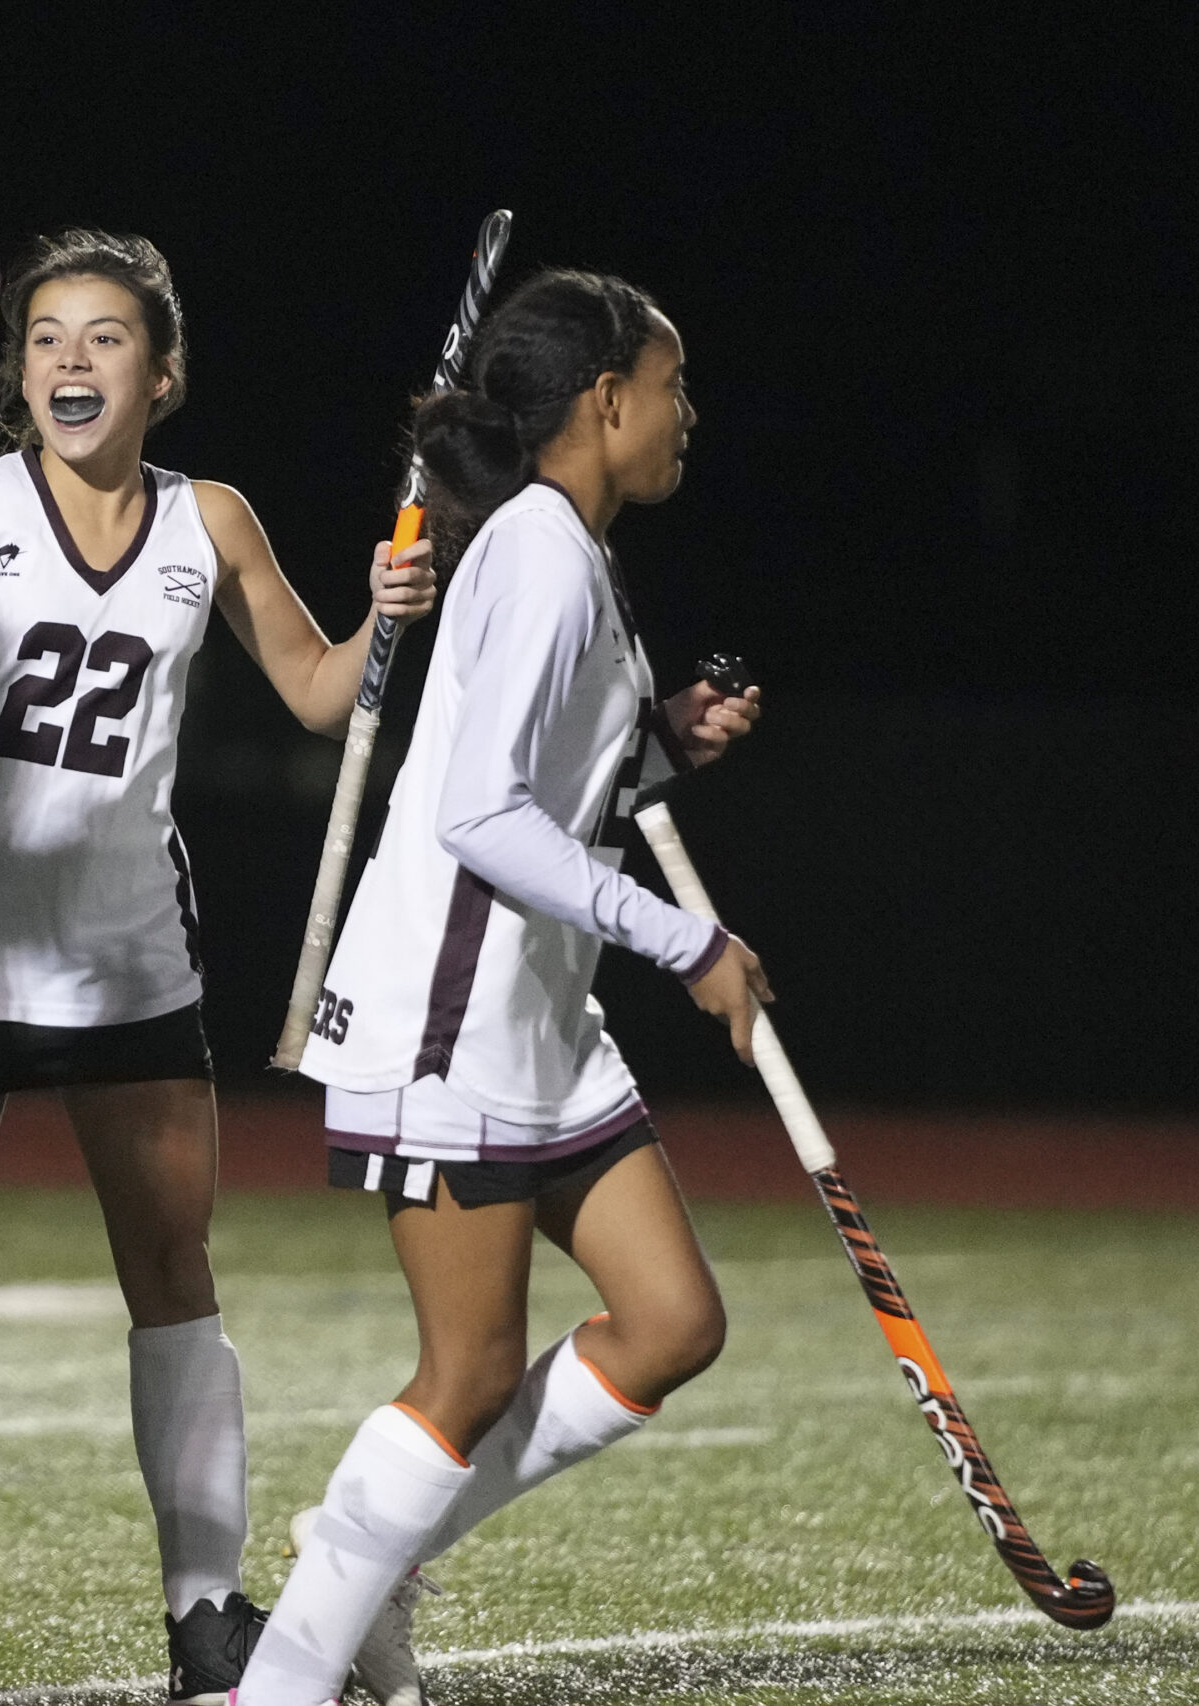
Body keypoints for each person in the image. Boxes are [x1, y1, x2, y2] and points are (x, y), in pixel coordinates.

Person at [0, 229, 439, 1706]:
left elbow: (318, 692)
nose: (69, 358)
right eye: (48, 335)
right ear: (17, 372)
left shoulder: (215, 520)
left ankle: (204, 1618)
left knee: (176, 1275)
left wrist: (385, 612)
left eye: (105, 337)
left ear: (162, 375)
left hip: (130, 957)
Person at [236, 270, 767, 1706]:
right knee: (464, 1374)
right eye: (671, 387)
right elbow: (480, 816)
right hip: (451, 1020)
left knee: (669, 1323)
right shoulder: (536, 548)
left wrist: (659, 741)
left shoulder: (568, 549)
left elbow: (547, 788)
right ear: (605, 401)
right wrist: (689, 941)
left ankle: (376, 1561)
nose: (685, 416)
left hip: (539, 1019)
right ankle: (283, 1681)